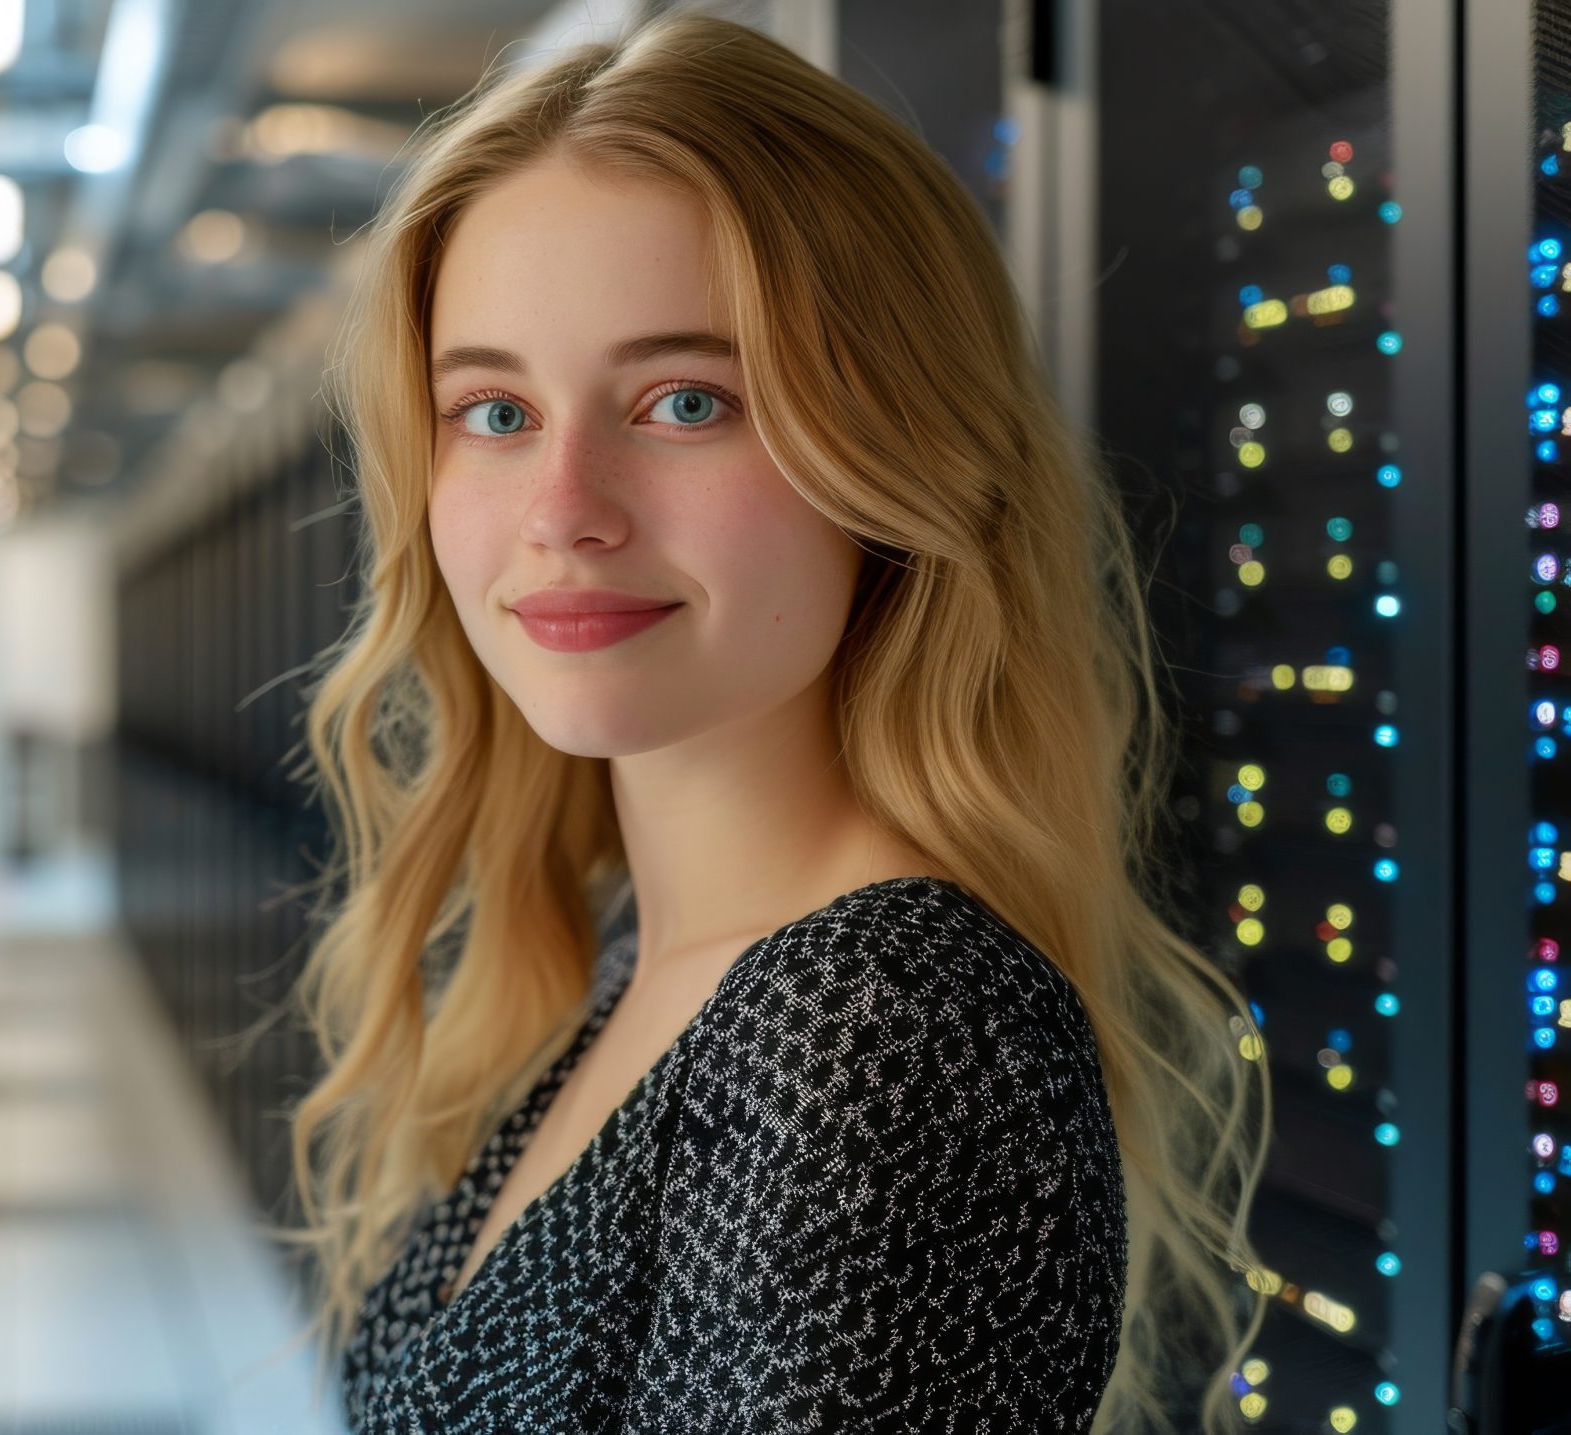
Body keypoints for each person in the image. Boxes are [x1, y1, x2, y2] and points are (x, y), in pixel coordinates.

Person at [263, 10, 1274, 1432]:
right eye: (493, 413)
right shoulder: (649, 954)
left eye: (686, 400)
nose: (563, 513)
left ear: (894, 455)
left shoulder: (875, 1025)